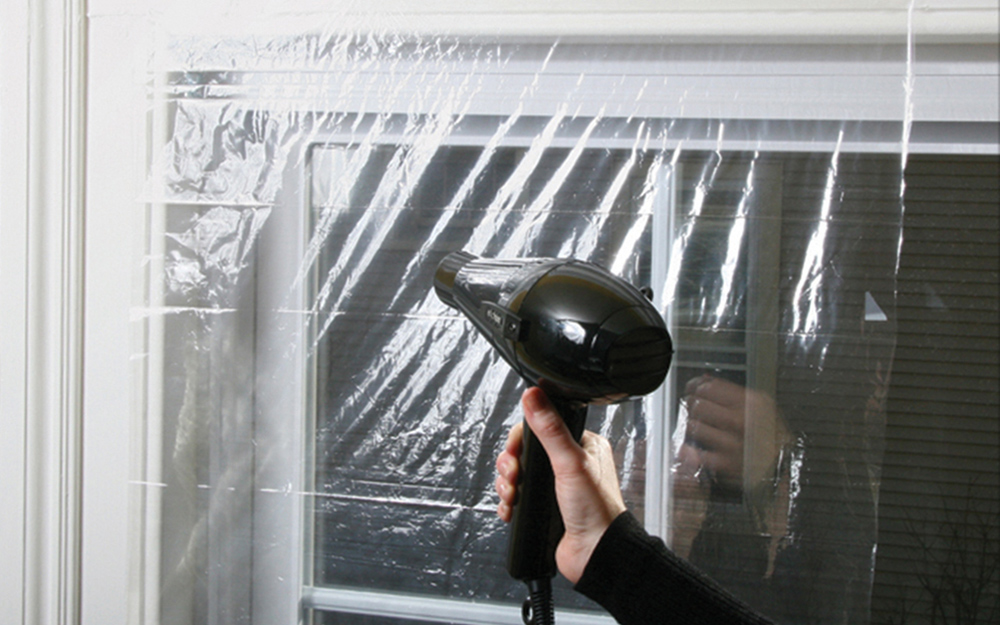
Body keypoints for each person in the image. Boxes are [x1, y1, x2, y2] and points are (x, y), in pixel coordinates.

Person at [495, 386, 776, 625]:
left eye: (693, 443)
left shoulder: (753, 570)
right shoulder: (514, 570)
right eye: (641, 437)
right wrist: (607, 548)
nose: (672, 459)